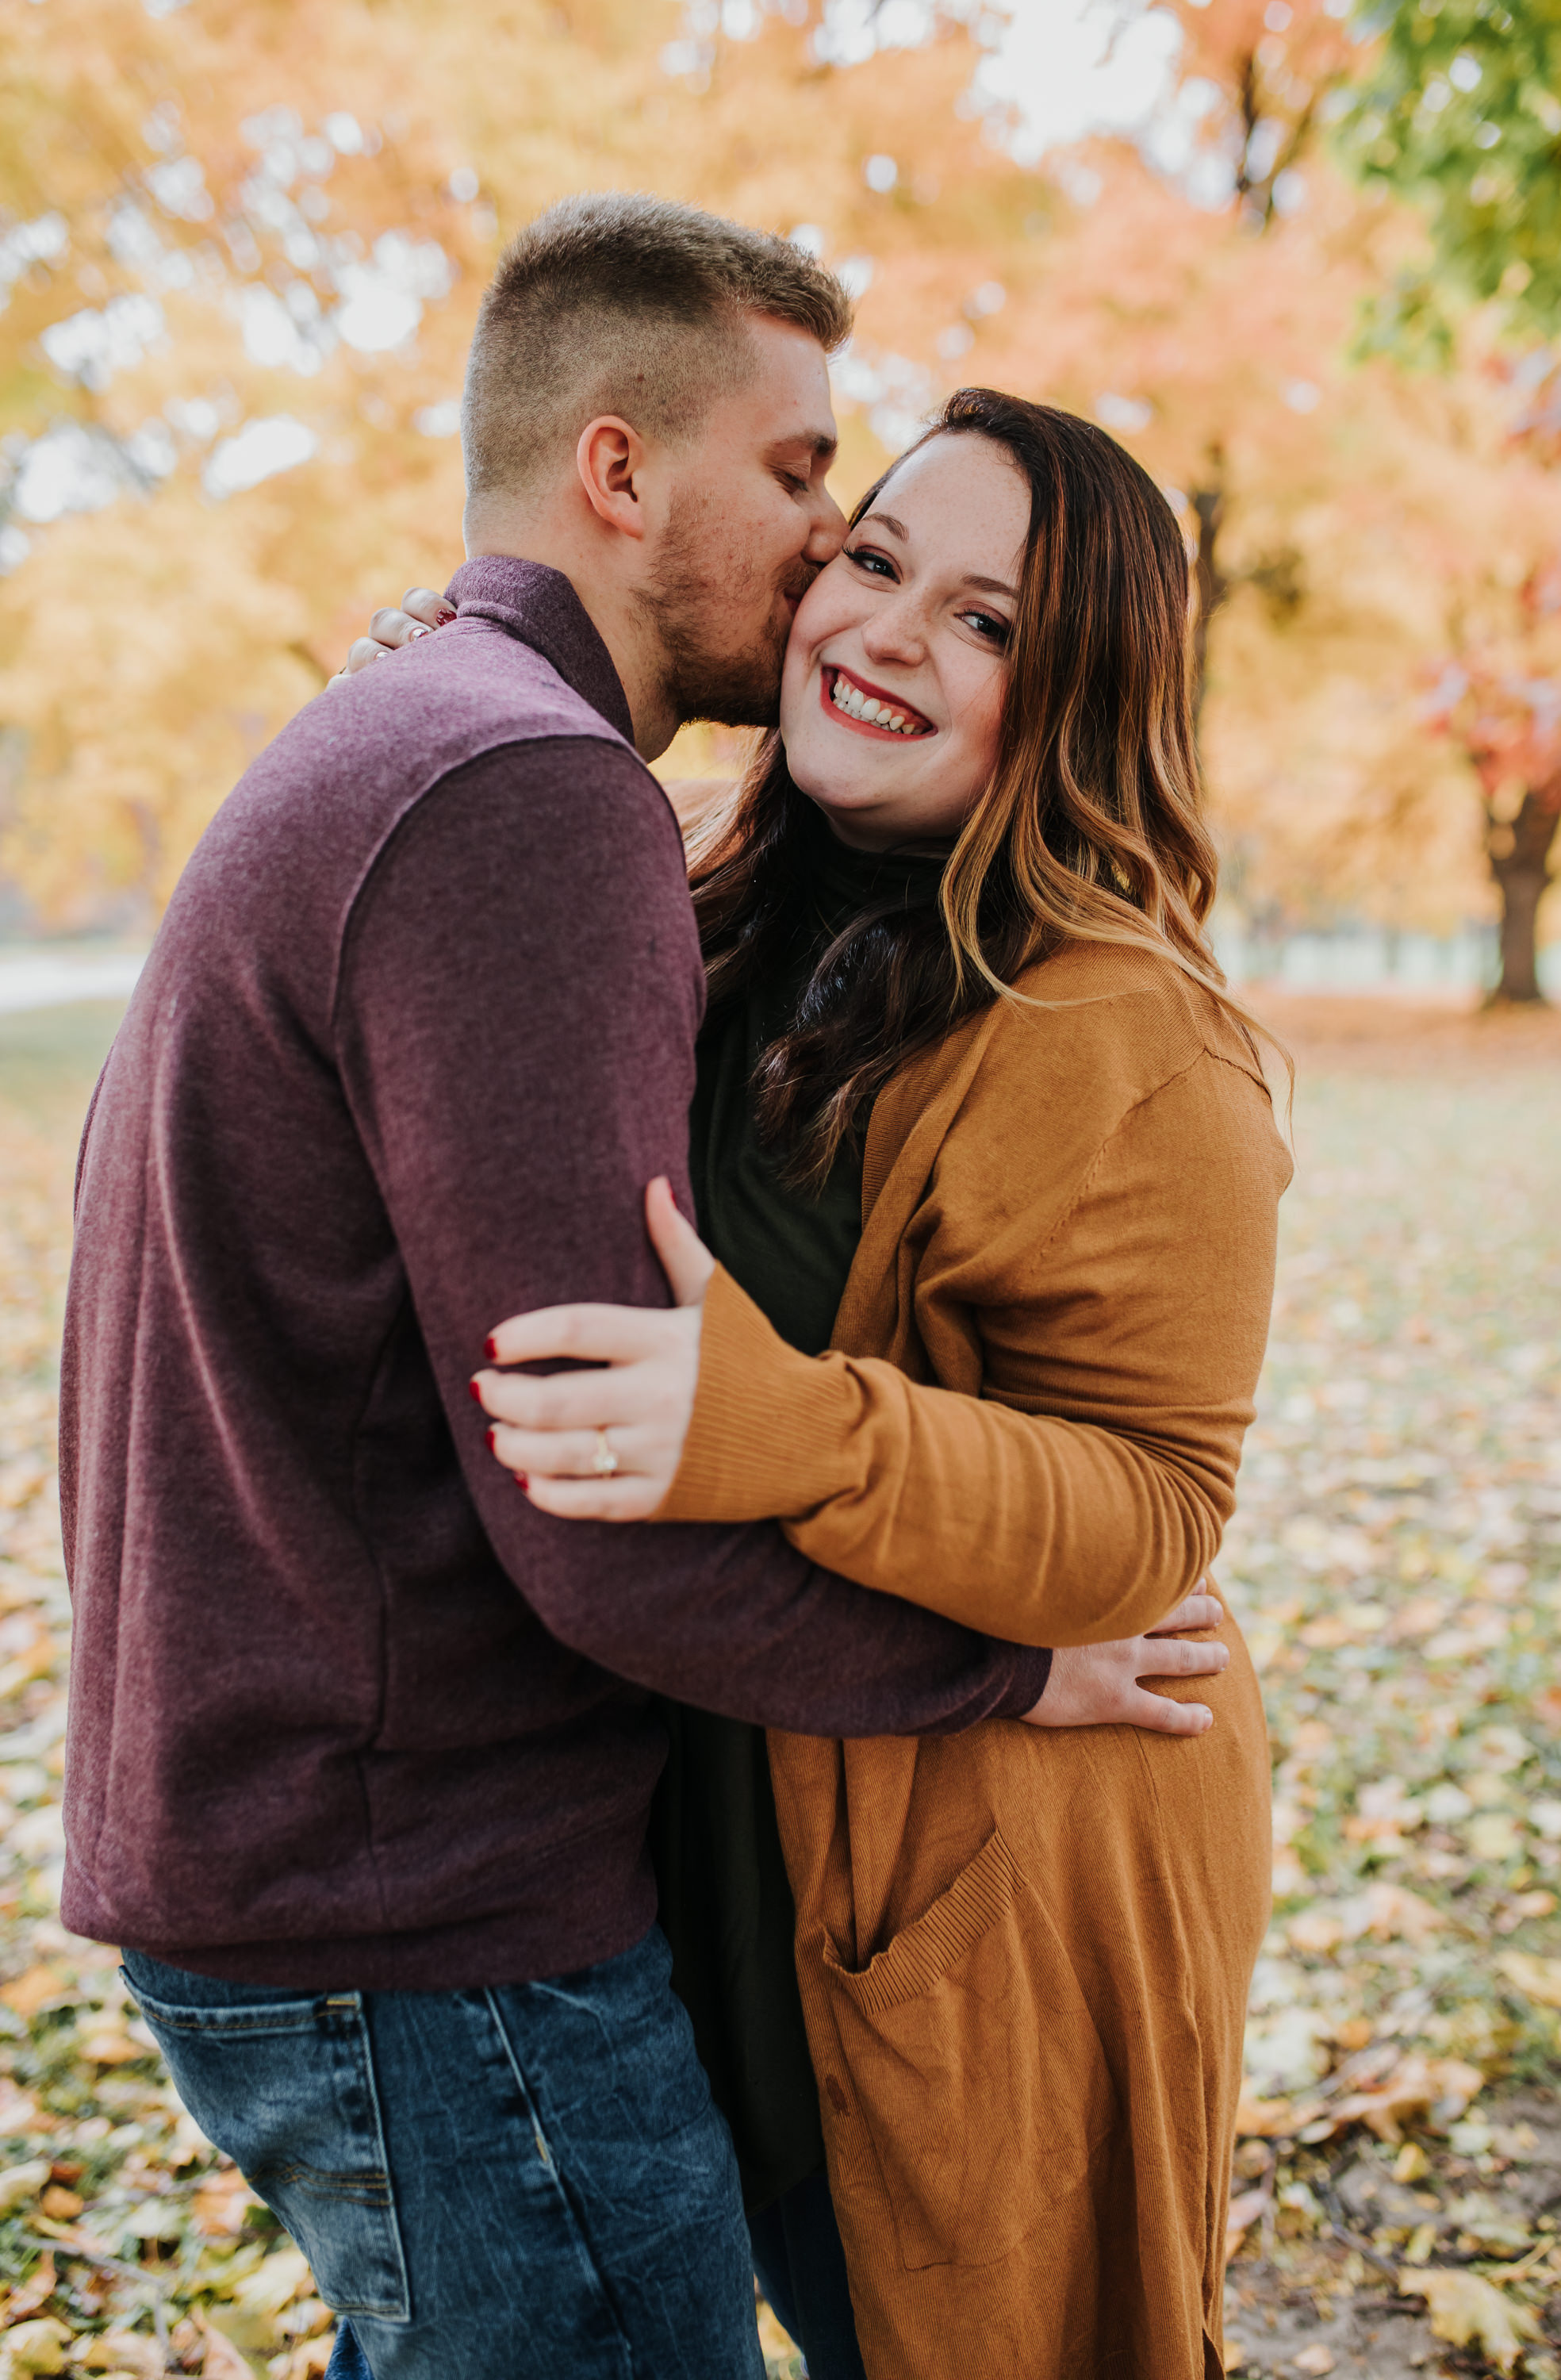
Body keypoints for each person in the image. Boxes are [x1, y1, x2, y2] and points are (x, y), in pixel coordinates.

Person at [61, 196, 1226, 2380]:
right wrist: (996, 1676)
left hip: (408, 1868)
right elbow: (598, 1507)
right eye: (821, 499)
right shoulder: (532, 794)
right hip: (429, 1894)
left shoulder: (462, 750)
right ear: (618, 472)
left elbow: (1140, 1480)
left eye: (973, 608)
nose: (828, 570)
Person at [372, 390, 1291, 2376]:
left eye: (987, 623)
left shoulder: (1123, 1028)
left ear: (1078, 698)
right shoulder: (710, 905)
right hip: (723, 1844)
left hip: (992, 1872)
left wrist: (788, 1426)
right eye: (873, 560)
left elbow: (1151, 1512)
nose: (883, 632)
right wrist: (436, 690)